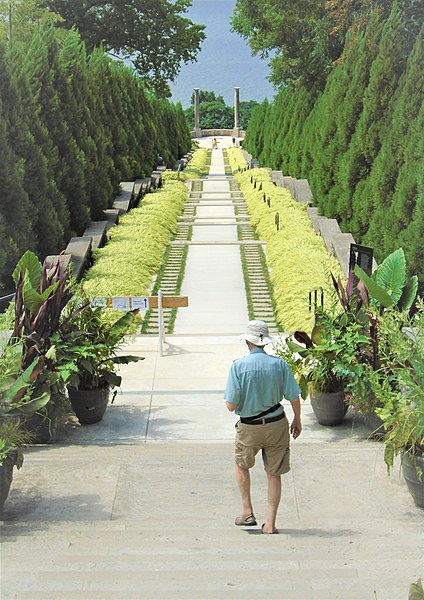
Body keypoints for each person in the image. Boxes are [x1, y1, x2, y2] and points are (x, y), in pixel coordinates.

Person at [224, 320, 302, 534]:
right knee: (274, 473)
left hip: (249, 427)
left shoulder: (238, 366)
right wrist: (297, 419)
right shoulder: (279, 365)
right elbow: (294, 396)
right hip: (277, 424)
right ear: (264, 342)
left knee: (241, 465)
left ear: (248, 341)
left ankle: (247, 511)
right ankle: (270, 524)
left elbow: (231, 405)